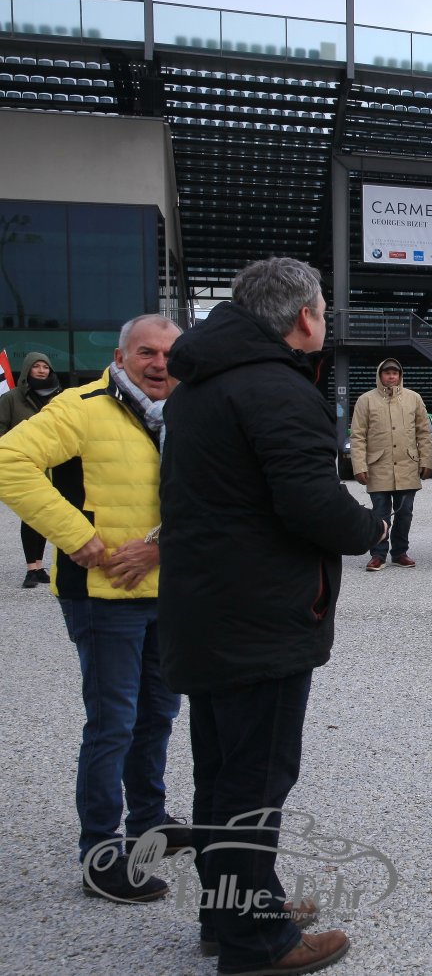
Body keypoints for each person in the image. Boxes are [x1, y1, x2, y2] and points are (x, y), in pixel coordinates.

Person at [160, 258, 385, 971]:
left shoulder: (202, 381)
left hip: (210, 607)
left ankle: (228, 913)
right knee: (254, 783)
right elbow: (310, 502)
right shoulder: (275, 387)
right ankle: (255, 942)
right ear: (304, 316)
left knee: (221, 772)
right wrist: (370, 527)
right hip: (260, 614)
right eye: (323, 308)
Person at [0, 315, 187, 903]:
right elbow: (9, 460)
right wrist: (76, 536)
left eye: (170, 353)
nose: (159, 363)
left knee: (158, 715)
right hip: (104, 598)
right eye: (146, 352)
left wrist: (164, 548)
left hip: (167, 590)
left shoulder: (186, 411)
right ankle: (100, 854)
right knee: (113, 725)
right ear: (121, 356)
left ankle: (148, 822)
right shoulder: (80, 408)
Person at [350, 357, 432, 571]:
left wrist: (426, 460)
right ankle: (378, 555)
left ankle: (400, 552)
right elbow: (357, 436)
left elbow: (424, 432)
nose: (391, 376)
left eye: (395, 373)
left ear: (400, 375)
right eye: (387, 373)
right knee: (380, 514)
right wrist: (359, 466)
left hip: (407, 466)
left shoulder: (413, 398)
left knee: (405, 514)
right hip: (378, 467)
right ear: (380, 375)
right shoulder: (366, 400)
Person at [0, 351, 62, 586]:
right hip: (23, 466)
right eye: (37, 366)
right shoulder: (11, 398)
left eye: (45, 367)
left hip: (51, 466)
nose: (42, 370)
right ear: (27, 369)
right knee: (31, 515)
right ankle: (31, 569)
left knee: (45, 515)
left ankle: (39, 565)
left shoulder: (58, 397)